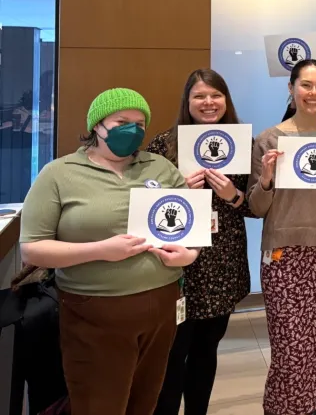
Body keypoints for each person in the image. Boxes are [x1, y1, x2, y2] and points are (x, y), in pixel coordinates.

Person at [19, 87, 199, 415]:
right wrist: (101, 250)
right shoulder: (59, 174)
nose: (133, 130)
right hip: (93, 316)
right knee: (98, 405)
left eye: (140, 124)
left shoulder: (160, 168)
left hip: (162, 309)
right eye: (122, 121)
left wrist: (190, 255)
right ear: (97, 126)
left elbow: (192, 229)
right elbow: (32, 250)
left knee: (145, 402)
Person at [247, 59, 316, 415]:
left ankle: (311, 408)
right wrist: (266, 179)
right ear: (291, 88)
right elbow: (257, 207)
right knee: (290, 348)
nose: (313, 93)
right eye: (306, 85)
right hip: (283, 255)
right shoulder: (268, 139)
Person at [147, 69, 253, 415]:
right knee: (172, 353)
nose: (208, 103)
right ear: (187, 102)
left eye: (215, 95)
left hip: (223, 264)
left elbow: (258, 205)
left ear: (226, 100)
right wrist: (178, 191)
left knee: (207, 351)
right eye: (199, 96)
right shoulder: (165, 144)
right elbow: (142, 202)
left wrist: (233, 194)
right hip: (177, 265)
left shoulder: (241, 144)